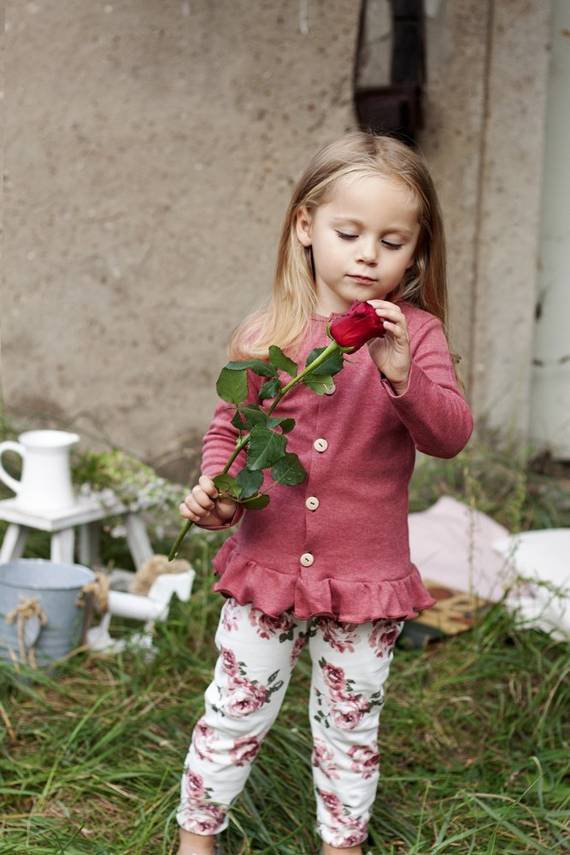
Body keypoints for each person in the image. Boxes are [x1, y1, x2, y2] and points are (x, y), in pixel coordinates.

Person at [176, 131, 474, 855]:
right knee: (237, 706)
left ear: (417, 252)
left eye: (392, 240)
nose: (369, 254)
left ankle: (342, 842)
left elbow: (449, 434)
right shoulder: (268, 333)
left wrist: (402, 373)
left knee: (349, 720)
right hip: (269, 568)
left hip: (366, 578)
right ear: (306, 227)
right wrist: (220, 491)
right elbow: (233, 431)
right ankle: (196, 835)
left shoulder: (418, 335)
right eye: (349, 232)